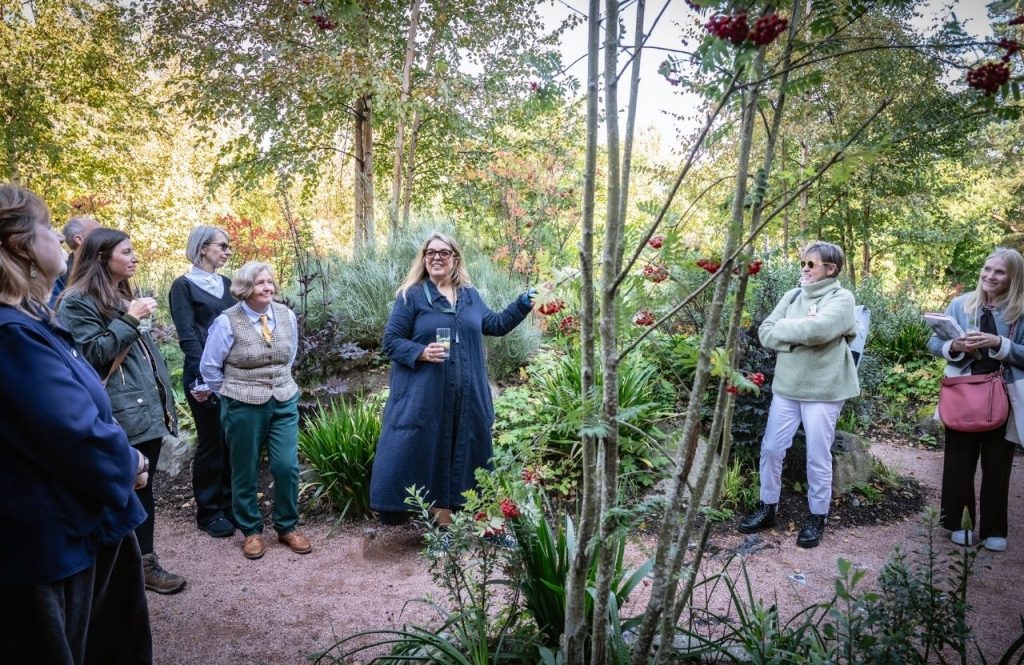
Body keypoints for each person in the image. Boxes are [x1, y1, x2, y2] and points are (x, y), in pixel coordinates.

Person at [0, 184, 151, 663]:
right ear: (21, 245)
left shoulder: (27, 319)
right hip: (49, 543)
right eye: (47, 226)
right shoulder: (11, 335)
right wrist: (127, 461)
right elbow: (71, 428)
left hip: (71, 526)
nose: (63, 238)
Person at [370, 232, 535, 527]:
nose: (436, 257)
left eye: (444, 253)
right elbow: (391, 342)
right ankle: (443, 525)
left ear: (455, 258)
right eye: (430, 252)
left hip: (468, 396)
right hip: (427, 397)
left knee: (472, 458)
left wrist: (523, 303)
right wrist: (421, 351)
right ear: (423, 258)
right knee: (433, 456)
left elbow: (494, 325)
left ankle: (486, 525)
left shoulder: (469, 295)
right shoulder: (412, 296)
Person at [58, 228, 186, 594]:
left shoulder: (117, 294)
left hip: (146, 408)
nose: (135, 257)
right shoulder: (76, 301)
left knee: (143, 487)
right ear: (101, 257)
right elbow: (94, 355)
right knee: (119, 489)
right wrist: (130, 318)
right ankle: (116, 572)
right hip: (119, 411)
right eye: (127, 251)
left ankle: (142, 564)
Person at [738, 241, 860, 548]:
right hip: (787, 388)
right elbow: (765, 332)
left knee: (817, 455)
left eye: (811, 264)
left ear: (830, 269)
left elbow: (818, 331)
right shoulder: (792, 295)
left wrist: (790, 331)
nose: (804, 268)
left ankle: (817, 515)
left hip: (825, 390)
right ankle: (768, 507)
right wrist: (801, 332)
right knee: (771, 449)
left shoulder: (842, 298)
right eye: (803, 263)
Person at [199, 261, 311, 560]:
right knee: (244, 469)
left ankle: (287, 526)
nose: (268, 288)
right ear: (245, 288)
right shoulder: (227, 321)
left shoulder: (286, 315)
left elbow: (289, 356)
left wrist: (277, 381)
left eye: (270, 282)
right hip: (243, 404)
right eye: (261, 283)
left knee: (287, 465)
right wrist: (233, 391)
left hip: (283, 399)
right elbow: (209, 367)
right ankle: (251, 530)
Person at [926, 247, 1024, 552]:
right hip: (964, 392)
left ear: (1013, 277)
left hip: (1004, 394)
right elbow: (933, 342)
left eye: (999, 272)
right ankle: (956, 523)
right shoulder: (961, 304)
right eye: (987, 269)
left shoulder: (1019, 312)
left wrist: (1000, 343)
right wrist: (955, 345)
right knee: (958, 460)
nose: (989, 276)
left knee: (998, 464)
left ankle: (994, 529)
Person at [169, 225, 236, 538]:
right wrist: (203, 379)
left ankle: (231, 504)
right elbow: (188, 337)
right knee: (211, 442)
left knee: (232, 441)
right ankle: (209, 511)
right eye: (222, 245)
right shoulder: (182, 286)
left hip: (234, 375)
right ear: (201, 247)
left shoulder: (226, 284)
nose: (227, 251)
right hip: (202, 377)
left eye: (228, 246)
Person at [50, 215, 100, 304]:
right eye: (99, 233)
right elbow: (56, 313)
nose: (106, 237)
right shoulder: (60, 276)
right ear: (79, 239)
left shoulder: (111, 268)